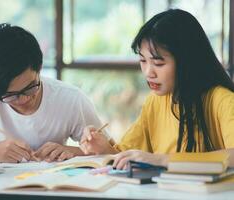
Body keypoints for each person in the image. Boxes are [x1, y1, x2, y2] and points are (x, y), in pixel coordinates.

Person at [80, 9, 234, 170]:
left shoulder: (222, 100)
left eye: (158, 63)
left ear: (187, 61)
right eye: (142, 60)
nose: (148, 72)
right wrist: (103, 148)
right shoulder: (155, 101)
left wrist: (162, 160)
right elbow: (127, 155)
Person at [0, 23, 102, 163]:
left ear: (40, 68)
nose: (24, 99)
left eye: (31, 87)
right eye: (11, 95)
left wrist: (74, 153)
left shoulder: (70, 99)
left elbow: (112, 154)